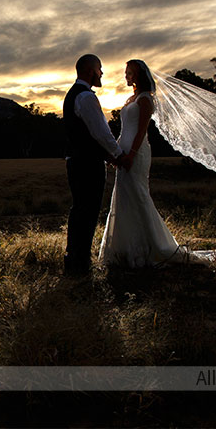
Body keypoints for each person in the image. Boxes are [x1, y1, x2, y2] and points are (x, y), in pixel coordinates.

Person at [98, 60, 216, 268]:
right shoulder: (130, 99)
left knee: (138, 194)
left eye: (129, 73)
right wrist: (115, 154)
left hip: (137, 152)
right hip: (124, 151)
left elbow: (141, 131)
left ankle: (153, 247)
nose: (126, 76)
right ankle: (125, 249)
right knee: (124, 196)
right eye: (126, 73)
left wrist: (131, 154)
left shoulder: (145, 100)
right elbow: (124, 131)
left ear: (138, 75)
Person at [63, 54, 126, 275]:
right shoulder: (86, 97)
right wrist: (118, 154)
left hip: (76, 160)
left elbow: (88, 135)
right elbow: (101, 132)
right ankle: (80, 263)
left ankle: (74, 259)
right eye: (100, 69)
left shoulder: (73, 95)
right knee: (87, 211)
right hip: (87, 164)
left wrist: (107, 156)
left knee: (80, 209)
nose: (102, 73)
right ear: (90, 70)